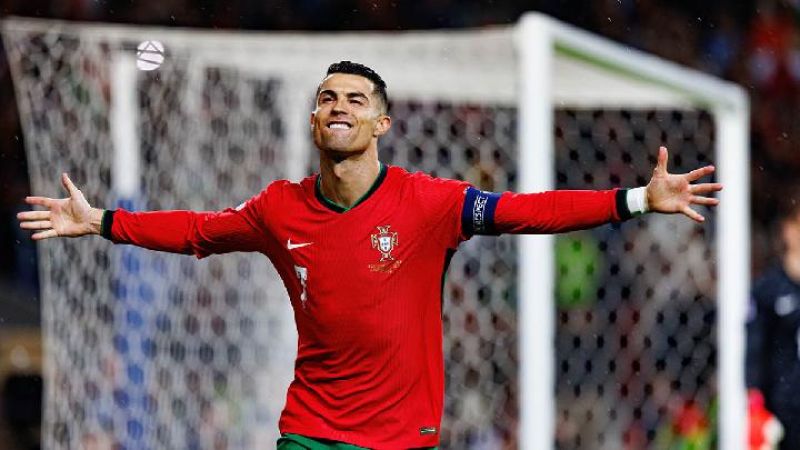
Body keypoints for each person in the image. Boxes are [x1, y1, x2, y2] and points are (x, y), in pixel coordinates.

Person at [17, 61, 722, 450]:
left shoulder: (430, 203)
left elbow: (526, 211)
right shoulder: (279, 208)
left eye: (355, 99)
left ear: (381, 121)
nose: (338, 106)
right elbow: (198, 231)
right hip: (310, 432)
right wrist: (101, 221)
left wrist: (635, 199)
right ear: (313, 120)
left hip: (401, 438)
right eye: (327, 98)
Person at [746, 194, 800, 450]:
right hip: (783, 409)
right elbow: (755, 349)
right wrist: (755, 404)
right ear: (787, 229)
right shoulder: (768, 290)